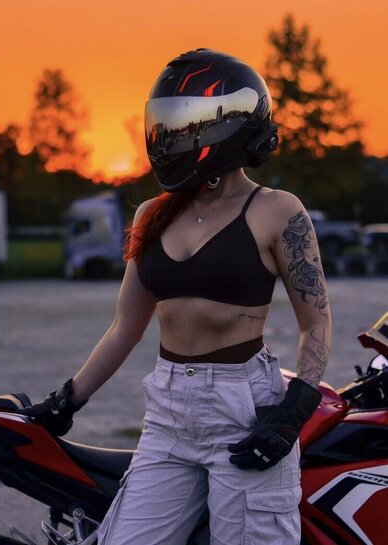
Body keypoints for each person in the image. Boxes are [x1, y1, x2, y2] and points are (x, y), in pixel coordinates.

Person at [23, 49, 331, 545]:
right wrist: (68, 399)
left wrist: (294, 413)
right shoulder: (152, 214)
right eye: (166, 122)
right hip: (169, 411)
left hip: (245, 408)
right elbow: (125, 327)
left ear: (226, 125)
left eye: (185, 123)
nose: (170, 136)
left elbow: (315, 323)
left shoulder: (277, 211)